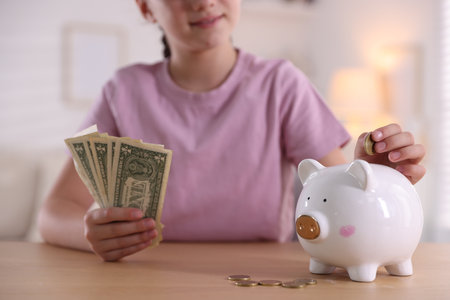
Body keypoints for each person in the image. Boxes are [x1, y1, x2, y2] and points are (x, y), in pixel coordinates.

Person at [38, 0, 426, 262]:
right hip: (148, 275)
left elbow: (339, 191)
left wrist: (371, 179)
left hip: (259, 277)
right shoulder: (123, 92)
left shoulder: (281, 84)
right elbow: (54, 213)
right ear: (145, 6)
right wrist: (89, 236)